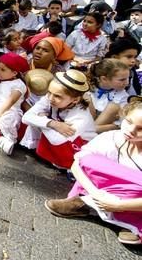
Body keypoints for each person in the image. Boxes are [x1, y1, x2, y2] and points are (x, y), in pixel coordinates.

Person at [44, 99, 142, 245]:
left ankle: (121, 219)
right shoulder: (111, 137)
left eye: (141, 129)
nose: (131, 130)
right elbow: (77, 165)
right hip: (96, 191)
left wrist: (117, 205)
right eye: (128, 121)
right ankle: (88, 202)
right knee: (87, 160)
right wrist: (95, 194)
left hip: (132, 204)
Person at [20, 70, 96, 169]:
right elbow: (26, 118)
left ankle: (61, 165)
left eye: (57, 96)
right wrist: (52, 123)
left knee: (40, 122)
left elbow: (57, 140)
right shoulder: (49, 98)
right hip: (57, 135)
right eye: (49, 92)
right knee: (37, 121)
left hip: (77, 144)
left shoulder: (81, 117)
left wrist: (43, 119)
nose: (51, 98)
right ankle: (40, 152)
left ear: (75, 99)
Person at [87, 59, 131, 133]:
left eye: (127, 78)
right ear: (104, 79)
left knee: (113, 107)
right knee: (86, 98)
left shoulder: (122, 95)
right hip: (87, 122)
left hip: (104, 128)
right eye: (122, 80)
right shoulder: (89, 88)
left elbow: (123, 121)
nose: (127, 83)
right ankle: (89, 131)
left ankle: (89, 132)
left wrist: (98, 128)